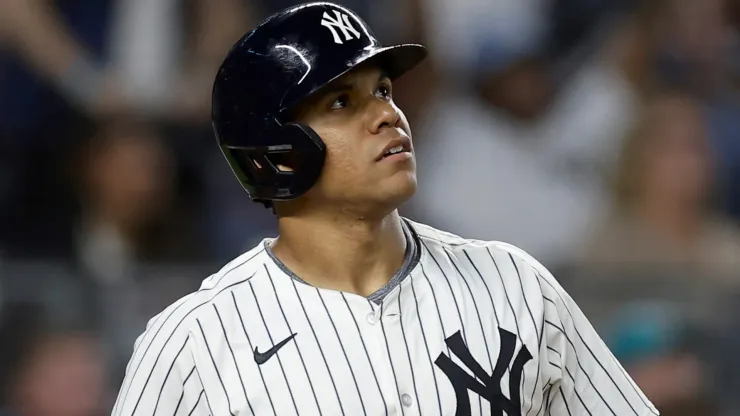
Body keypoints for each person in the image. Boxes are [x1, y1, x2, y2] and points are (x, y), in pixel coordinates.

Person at [110, 3, 659, 415]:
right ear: (274, 153)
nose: (387, 115)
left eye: (385, 90)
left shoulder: (515, 284)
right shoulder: (197, 340)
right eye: (343, 103)